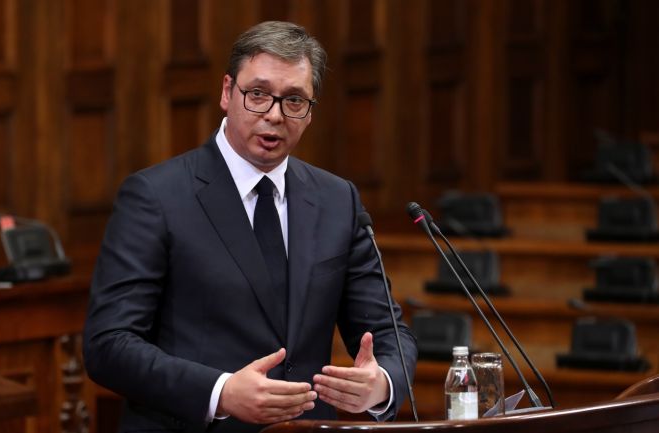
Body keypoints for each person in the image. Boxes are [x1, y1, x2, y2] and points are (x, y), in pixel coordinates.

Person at [83, 20, 417, 433]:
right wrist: (220, 392)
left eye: (294, 100)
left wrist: (381, 383)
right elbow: (108, 344)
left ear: (310, 112)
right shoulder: (156, 196)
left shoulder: (337, 200)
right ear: (227, 92)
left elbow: (387, 331)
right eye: (258, 94)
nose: (274, 115)